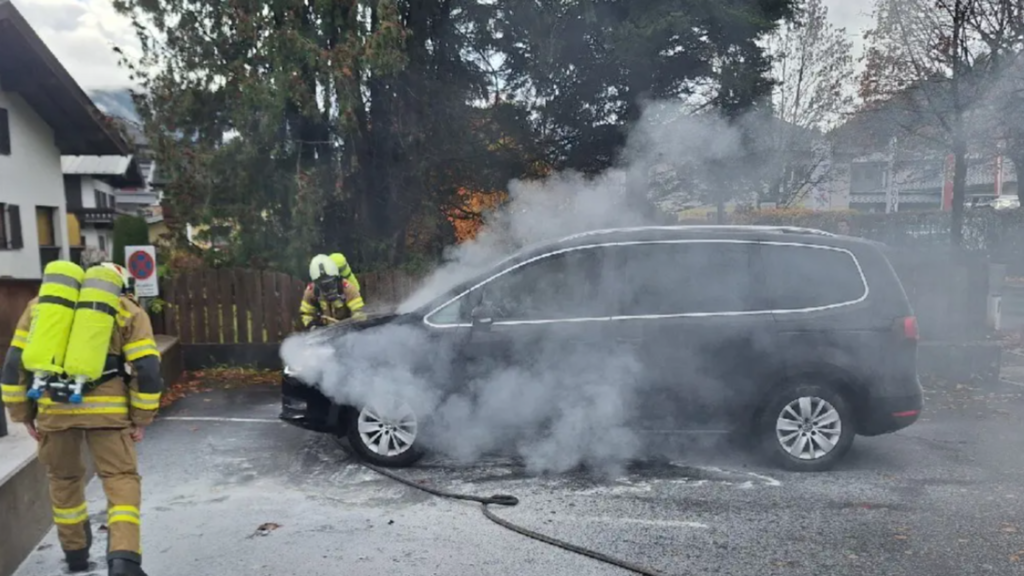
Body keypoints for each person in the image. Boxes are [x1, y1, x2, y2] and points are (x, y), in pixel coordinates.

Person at [0, 262, 163, 576]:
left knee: (63, 482)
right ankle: (123, 560)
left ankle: (75, 557)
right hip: (109, 414)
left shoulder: (39, 308)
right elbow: (148, 369)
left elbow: (13, 366)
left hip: (54, 409)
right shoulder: (125, 309)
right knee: (120, 481)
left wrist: (23, 415)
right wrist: (141, 417)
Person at [299, 254, 366, 328]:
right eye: (323, 285)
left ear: (336, 278)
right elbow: (306, 314)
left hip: (348, 332)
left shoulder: (347, 288)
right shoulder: (311, 291)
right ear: (316, 283)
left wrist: (356, 323)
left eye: (330, 283)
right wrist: (312, 326)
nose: (328, 288)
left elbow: (359, 311)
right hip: (326, 334)